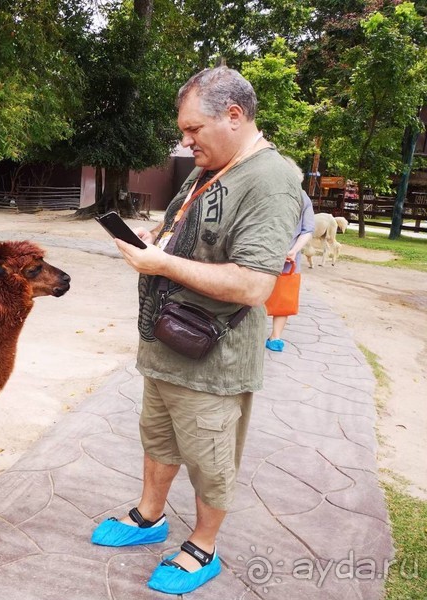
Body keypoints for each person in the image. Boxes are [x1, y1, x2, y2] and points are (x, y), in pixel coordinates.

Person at [90, 66, 302, 595]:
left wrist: (159, 265)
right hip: (165, 344)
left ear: (234, 116)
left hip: (212, 359)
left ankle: (202, 547)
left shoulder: (272, 181)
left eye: (192, 130)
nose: (184, 141)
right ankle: (149, 516)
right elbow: (181, 226)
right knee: (158, 437)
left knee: (210, 458)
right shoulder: (209, 166)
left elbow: (255, 285)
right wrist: (153, 239)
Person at [265, 158, 315, 352]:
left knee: (283, 297)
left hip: (289, 259)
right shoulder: (268, 196)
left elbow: (307, 229)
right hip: (265, 256)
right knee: (256, 295)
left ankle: (275, 336)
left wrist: (294, 250)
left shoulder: (303, 199)